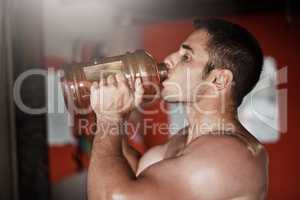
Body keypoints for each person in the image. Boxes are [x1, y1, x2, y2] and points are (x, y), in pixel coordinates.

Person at [87, 18, 269, 200]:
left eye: (186, 57)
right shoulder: (187, 138)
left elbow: (111, 196)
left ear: (218, 80)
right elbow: (137, 174)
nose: (168, 60)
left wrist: (109, 117)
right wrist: (116, 116)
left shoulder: (231, 155)